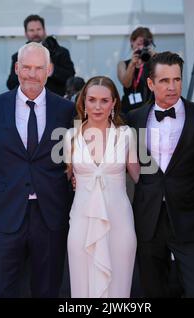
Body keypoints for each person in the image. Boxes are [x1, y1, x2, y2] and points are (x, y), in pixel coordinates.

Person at [0, 42, 75, 298]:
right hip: (6, 212)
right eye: (26, 67)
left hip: (51, 214)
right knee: (1, 290)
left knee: (47, 289)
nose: (32, 74)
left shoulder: (66, 110)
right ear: (16, 68)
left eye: (38, 68)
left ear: (50, 70)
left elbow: (71, 156)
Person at [126, 52, 194, 298]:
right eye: (164, 81)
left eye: (177, 79)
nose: (172, 86)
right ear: (151, 84)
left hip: (191, 217)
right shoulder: (133, 119)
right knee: (153, 290)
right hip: (148, 219)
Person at [64, 76, 139, 298]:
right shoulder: (70, 137)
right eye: (92, 99)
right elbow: (66, 178)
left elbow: (138, 176)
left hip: (119, 221)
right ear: (83, 102)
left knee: (119, 285)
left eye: (104, 100)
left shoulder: (126, 135)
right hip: (81, 221)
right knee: (81, 285)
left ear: (114, 103)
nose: (97, 106)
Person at [6, 14, 75, 96]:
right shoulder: (17, 56)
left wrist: (53, 70)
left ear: (44, 30)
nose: (35, 33)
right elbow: (11, 84)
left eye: (38, 29)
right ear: (26, 33)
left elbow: (71, 78)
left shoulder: (61, 52)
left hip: (56, 102)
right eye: (31, 30)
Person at [117, 27, 155, 115]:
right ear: (132, 42)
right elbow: (126, 83)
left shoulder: (154, 62)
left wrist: (155, 57)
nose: (141, 47)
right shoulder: (123, 64)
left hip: (149, 111)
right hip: (128, 111)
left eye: (145, 44)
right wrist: (132, 64)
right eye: (138, 44)